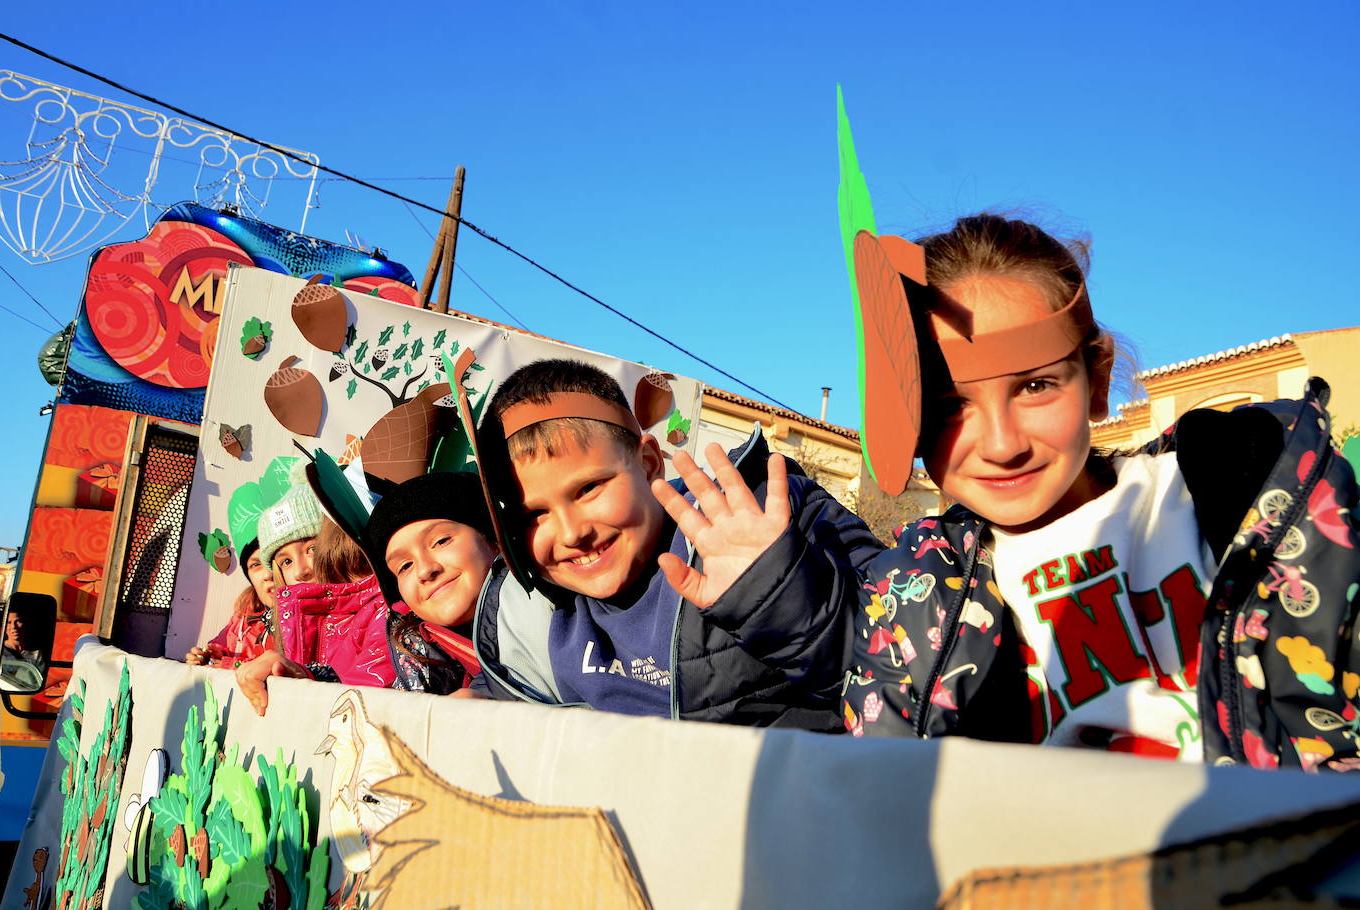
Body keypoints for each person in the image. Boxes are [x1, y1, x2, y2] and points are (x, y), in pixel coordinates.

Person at [841, 214, 1360, 770]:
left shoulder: (1251, 482)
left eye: (1035, 386)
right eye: (950, 406)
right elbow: (889, 795)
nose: (1000, 444)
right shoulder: (908, 598)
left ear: (1098, 378)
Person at [468, 359, 882, 730]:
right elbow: (505, 693)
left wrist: (779, 593)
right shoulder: (526, 609)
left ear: (648, 463)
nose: (572, 533)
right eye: (532, 515)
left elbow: (908, 657)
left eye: (589, 488)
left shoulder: (769, 521)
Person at [235, 474, 396, 715]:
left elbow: (365, 703)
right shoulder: (294, 622)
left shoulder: (382, 612)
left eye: (313, 548)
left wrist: (305, 676)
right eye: (286, 561)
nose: (301, 571)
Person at [364, 471, 499, 694]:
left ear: (493, 539)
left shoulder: (564, 611)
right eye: (405, 566)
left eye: (441, 541)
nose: (425, 570)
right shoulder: (413, 665)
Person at [185, 539, 277, 668]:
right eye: (256, 565)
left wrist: (230, 665)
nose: (268, 574)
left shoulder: (303, 617)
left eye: (273, 561)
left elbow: (278, 667)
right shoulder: (245, 610)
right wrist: (208, 655)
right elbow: (224, 643)